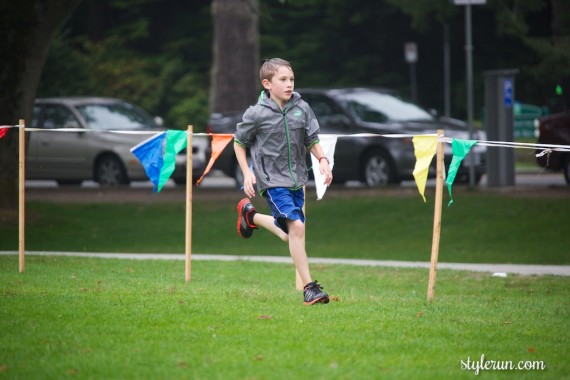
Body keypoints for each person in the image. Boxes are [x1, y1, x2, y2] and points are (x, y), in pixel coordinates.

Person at [233, 58, 333, 305]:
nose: (289, 84)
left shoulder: (301, 107)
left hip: (297, 179)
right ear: (267, 84)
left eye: (291, 79)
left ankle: (250, 216)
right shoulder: (256, 114)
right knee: (297, 228)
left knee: (292, 234)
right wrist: (248, 172)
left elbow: (311, 138)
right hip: (271, 180)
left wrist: (322, 159)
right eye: (283, 80)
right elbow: (239, 143)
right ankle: (310, 288)